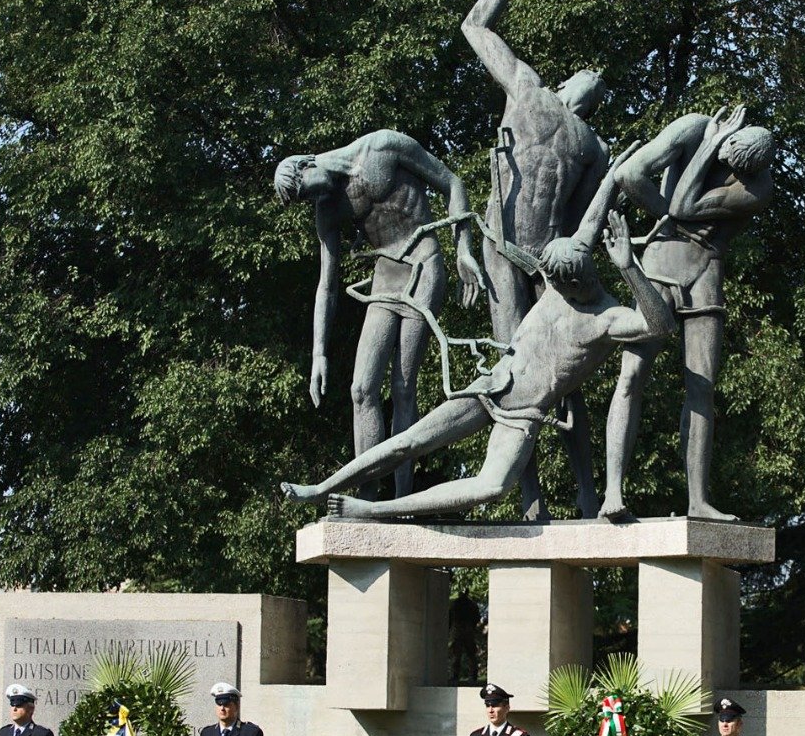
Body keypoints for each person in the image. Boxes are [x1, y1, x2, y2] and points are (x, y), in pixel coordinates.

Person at [281, 202, 675, 519]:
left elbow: (659, 325)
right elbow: (595, 210)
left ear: (577, 280)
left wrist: (628, 265)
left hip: (523, 415)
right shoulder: (560, 273)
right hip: (492, 386)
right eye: (550, 280)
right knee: (409, 440)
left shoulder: (608, 318)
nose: (552, 287)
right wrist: (616, 173)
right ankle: (321, 488)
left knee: (492, 486)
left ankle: (374, 510)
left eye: (560, 284)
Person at [463, 0, 607, 520]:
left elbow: (474, 25)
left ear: (569, 90)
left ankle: (548, 495)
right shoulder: (587, 141)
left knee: (523, 374)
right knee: (547, 375)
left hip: (519, 254)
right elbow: (582, 230)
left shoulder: (534, 94)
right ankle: (563, 492)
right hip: (533, 257)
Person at [275, 130, 487, 499]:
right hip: (385, 280)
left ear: (307, 165)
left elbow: (452, 182)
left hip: (423, 264)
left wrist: (463, 249)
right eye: (304, 200)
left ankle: (401, 500)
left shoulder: (382, 147)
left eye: (305, 190)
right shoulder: (327, 208)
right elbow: (327, 285)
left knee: (403, 387)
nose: (312, 200)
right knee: (361, 389)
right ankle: (367, 498)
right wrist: (318, 354)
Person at [604, 105, 775, 522]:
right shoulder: (694, 127)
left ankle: (698, 501)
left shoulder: (758, 188)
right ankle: (612, 492)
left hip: (705, 273)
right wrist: (709, 143)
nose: (726, 166)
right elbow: (629, 174)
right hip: (660, 264)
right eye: (725, 155)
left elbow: (682, 207)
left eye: (735, 167)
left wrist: (710, 149)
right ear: (731, 135)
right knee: (631, 375)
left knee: (702, 387)